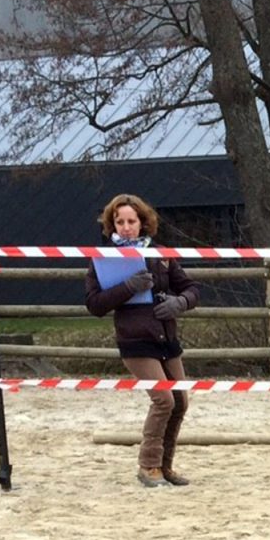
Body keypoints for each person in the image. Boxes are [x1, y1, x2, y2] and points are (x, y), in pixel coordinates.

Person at [84, 194, 201, 488]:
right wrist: (127, 287)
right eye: (119, 221)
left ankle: (165, 466)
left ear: (142, 223)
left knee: (180, 402)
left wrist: (180, 303)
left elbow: (190, 288)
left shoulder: (161, 254)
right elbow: (94, 304)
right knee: (163, 400)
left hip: (167, 337)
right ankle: (147, 466)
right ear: (111, 224)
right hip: (135, 340)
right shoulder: (103, 258)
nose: (125, 227)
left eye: (131, 221)